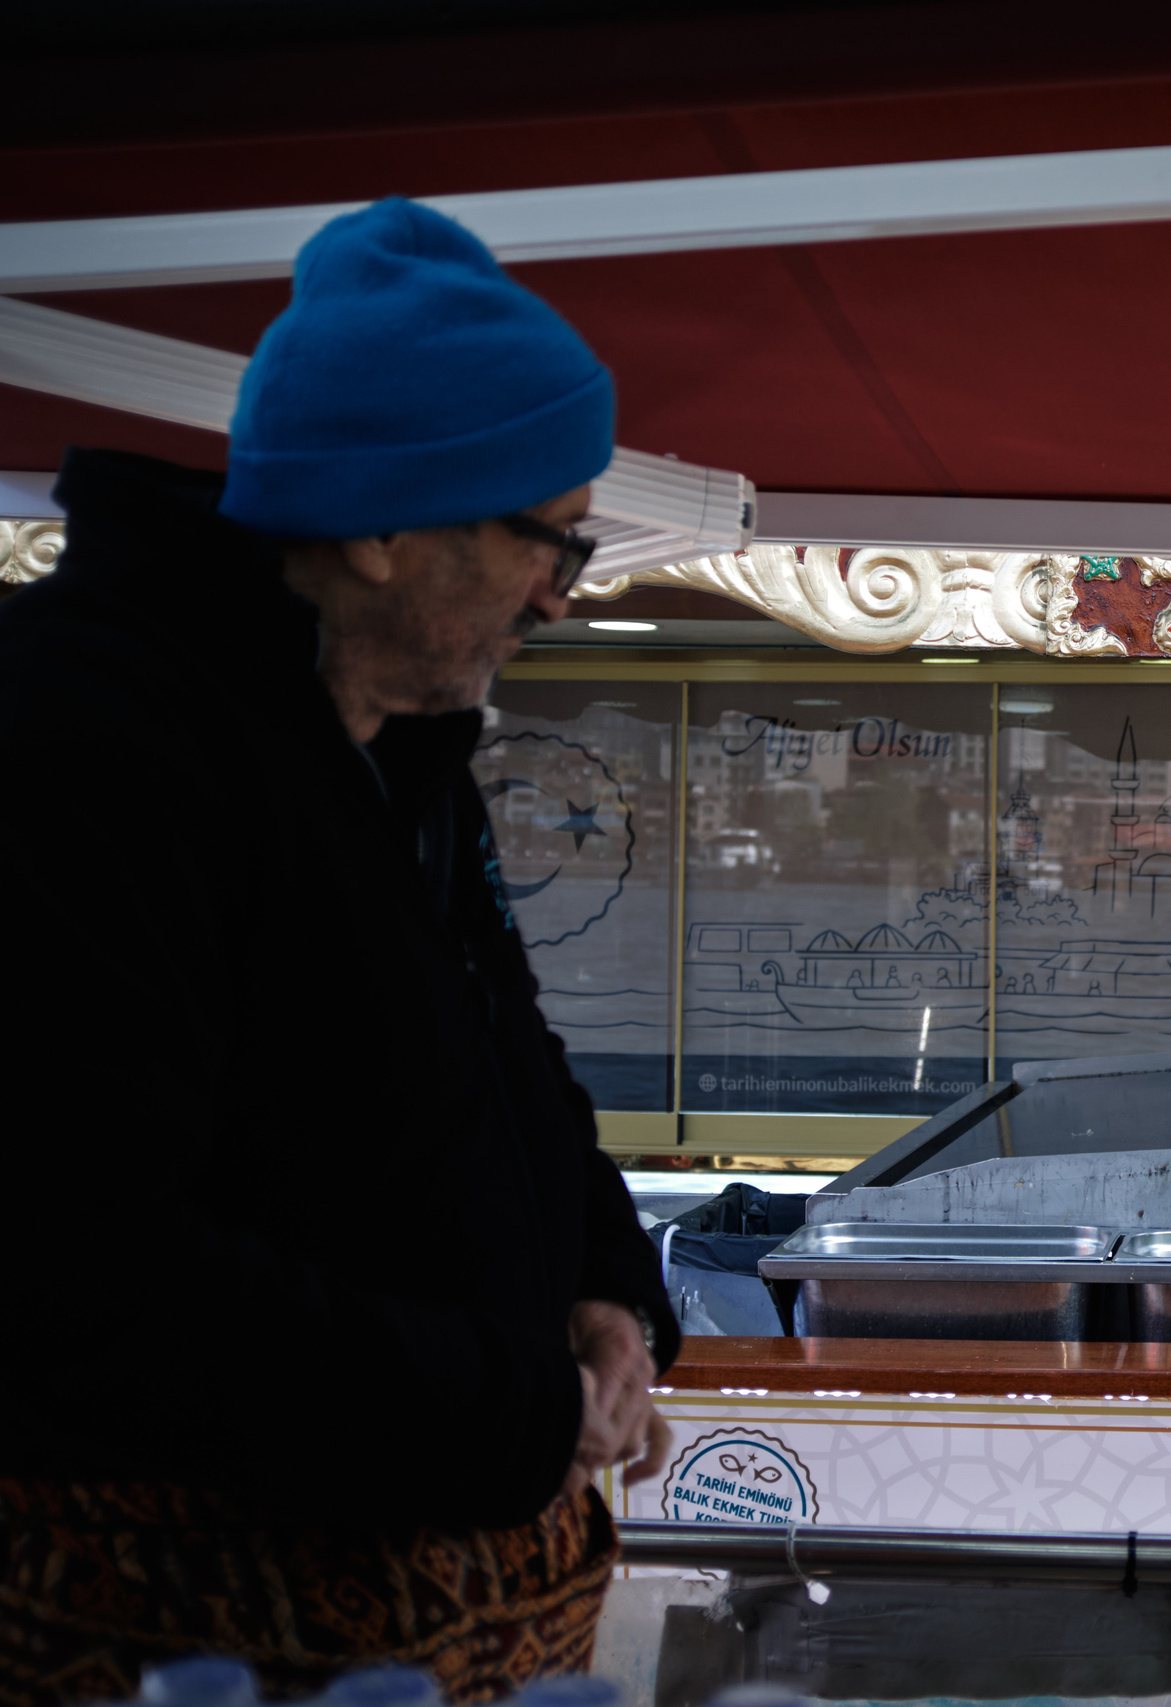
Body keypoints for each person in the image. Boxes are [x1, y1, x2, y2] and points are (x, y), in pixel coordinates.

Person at [0, 200, 678, 1706]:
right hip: (179, 1635)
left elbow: (510, 1067)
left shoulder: (397, 747)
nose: (564, 590)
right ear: (380, 525)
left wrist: (605, 1288)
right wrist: (508, 1410)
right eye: (545, 535)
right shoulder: (88, 741)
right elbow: (74, 1256)